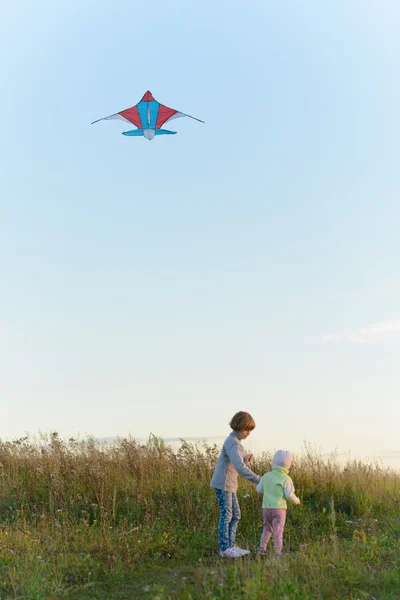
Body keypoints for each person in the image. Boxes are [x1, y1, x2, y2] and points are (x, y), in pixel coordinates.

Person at [210, 411, 260, 558]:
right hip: (224, 484)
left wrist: (244, 459)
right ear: (238, 426)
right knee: (227, 515)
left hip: (229, 484)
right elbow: (239, 467)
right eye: (247, 429)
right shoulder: (233, 442)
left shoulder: (234, 442)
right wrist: (258, 479)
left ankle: (231, 545)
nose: (249, 433)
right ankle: (225, 548)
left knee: (236, 515)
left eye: (250, 430)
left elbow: (234, 461)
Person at [256, 449, 300, 558]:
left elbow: (259, 490)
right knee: (278, 529)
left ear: (274, 462)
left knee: (267, 527)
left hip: (266, 507)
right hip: (279, 509)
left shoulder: (266, 476)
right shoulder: (286, 479)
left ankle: (262, 548)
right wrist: (297, 501)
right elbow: (289, 495)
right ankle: (277, 552)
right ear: (288, 465)